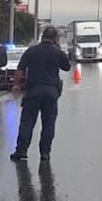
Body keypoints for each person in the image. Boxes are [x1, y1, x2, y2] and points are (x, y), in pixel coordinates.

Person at [10, 26, 72, 162]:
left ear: (42, 36)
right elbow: (67, 67)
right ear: (55, 38)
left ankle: (21, 151)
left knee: (27, 122)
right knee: (48, 124)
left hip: (33, 91)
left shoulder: (31, 51)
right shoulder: (57, 52)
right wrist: (59, 50)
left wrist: (16, 85)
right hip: (51, 92)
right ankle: (45, 153)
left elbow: (20, 70)